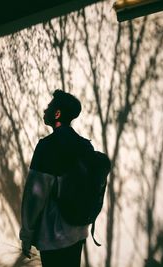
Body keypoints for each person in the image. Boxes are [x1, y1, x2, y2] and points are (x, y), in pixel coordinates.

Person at [19, 89, 94, 267]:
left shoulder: (47, 146)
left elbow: (34, 196)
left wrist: (26, 235)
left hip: (54, 239)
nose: (45, 110)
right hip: (78, 234)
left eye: (49, 107)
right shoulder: (85, 146)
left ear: (57, 113)